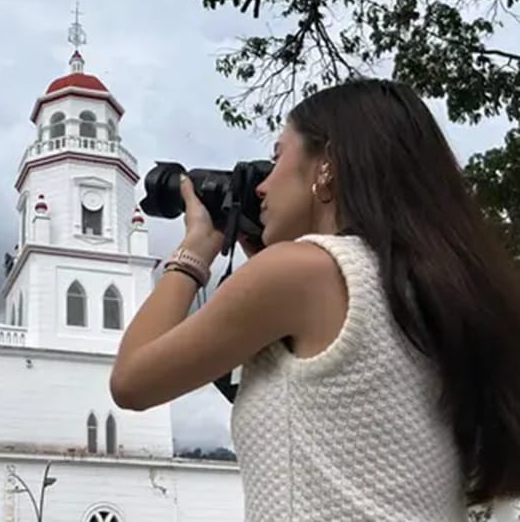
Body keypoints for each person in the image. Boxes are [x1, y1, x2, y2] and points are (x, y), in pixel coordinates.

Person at [110, 78, 520, 521]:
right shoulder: (439, 289)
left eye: (277, 156)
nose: (262, 186)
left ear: (327, 164)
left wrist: (194, 249)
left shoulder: (300, 272)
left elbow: (132, 382)